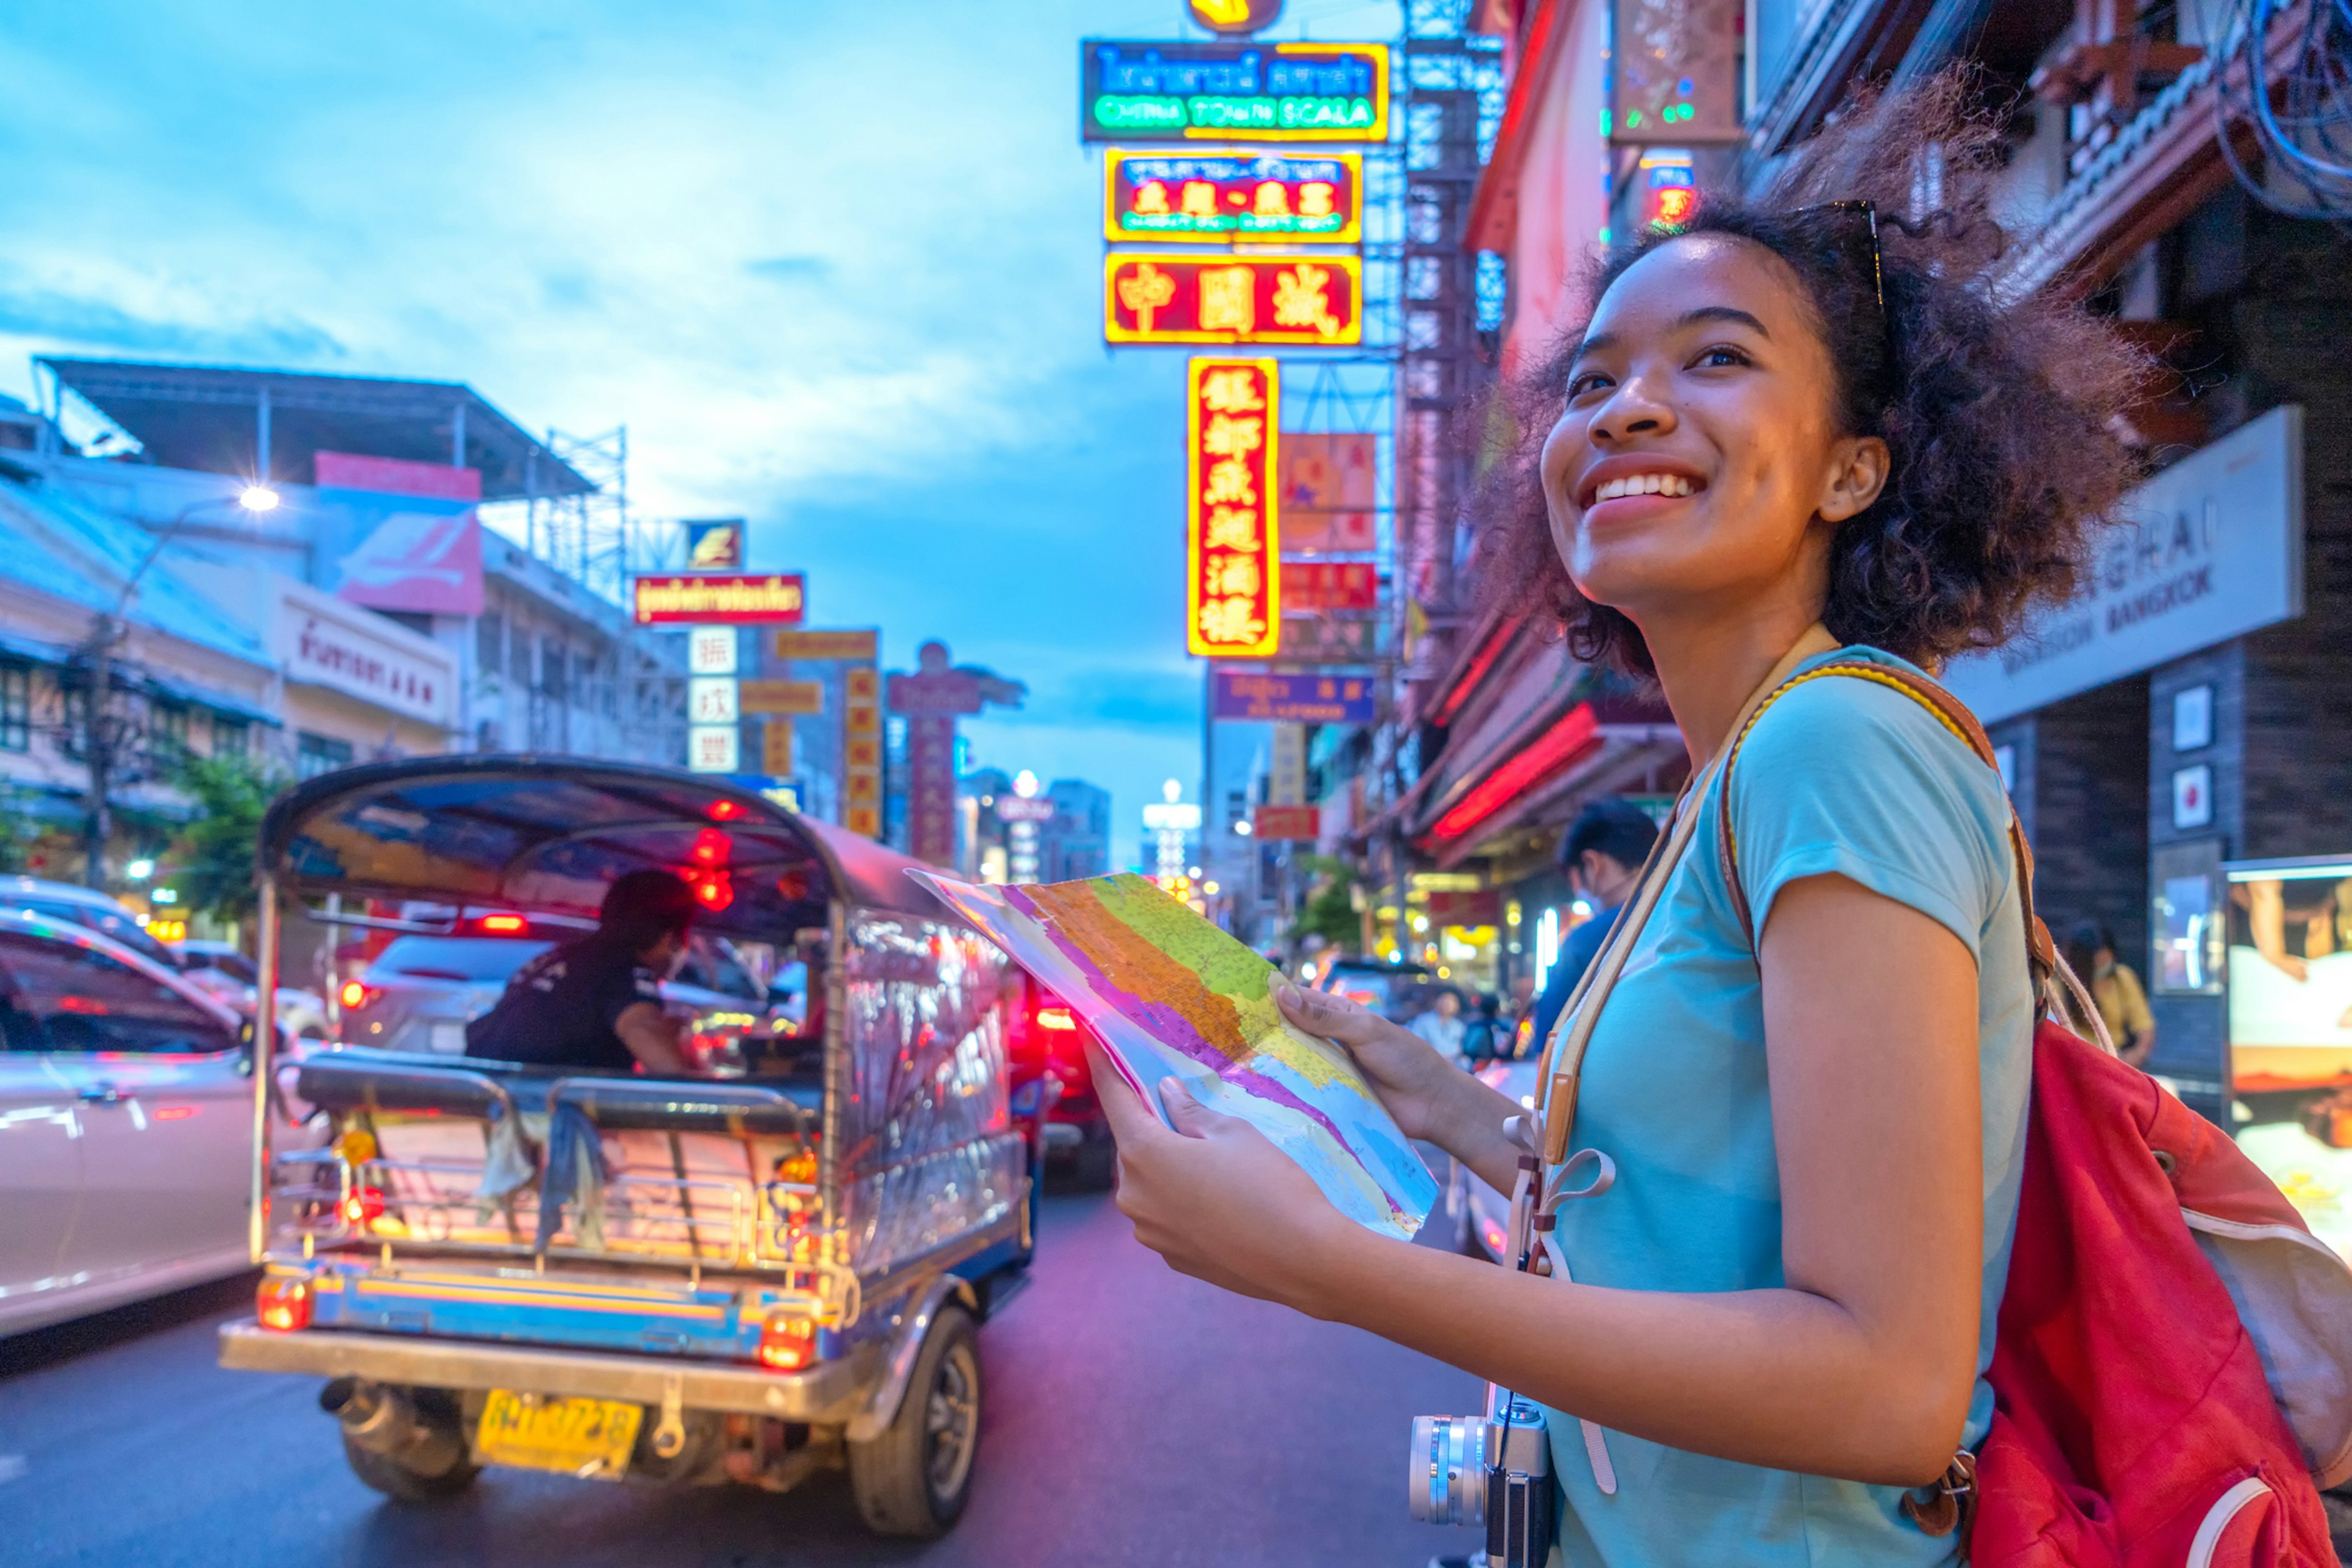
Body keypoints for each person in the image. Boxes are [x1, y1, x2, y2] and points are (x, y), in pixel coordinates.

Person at [1085, 76, 2144, 1568]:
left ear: (1856, 466)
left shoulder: (1836, 743)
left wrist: (1323, 1268)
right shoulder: (1736, 773)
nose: (1627, 406)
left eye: (1715, 359)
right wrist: (1436, 1098)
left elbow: (1892, 1390)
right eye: (1587, 383)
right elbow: (1692, 1221)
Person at [466, 869, 699, 1076]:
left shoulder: (560, 957)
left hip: (486, 1096)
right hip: (544, 1109)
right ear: (673, 941)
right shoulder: (625, 969)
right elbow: (656, 1050)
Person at [1529, 799, 1662, 1051]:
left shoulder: (1586, 944)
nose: (1578, 891)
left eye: (1575, 881)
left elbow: (1549, 1052)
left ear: (1592, 863)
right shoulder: (1696, 915)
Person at [2060, 921, 2156, 1068]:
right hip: (2077, 1064)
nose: (2106, 964)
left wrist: (2137, 1054)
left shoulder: (2122, 978)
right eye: (2100, 960)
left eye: (2108, 958)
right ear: (2082, 961)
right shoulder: (2060, 986)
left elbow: (2144, 1025)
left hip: (2115, 1061)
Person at [1406, 987, 1466, 1066]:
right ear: (1436, 1001)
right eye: (1443, 999)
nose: (1446, 1003)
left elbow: (1460, 1050)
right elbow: (1416, 1046)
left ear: (1457, 1006)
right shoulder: (1423, 1021)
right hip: (1428, 1064)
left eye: (1451, 1001)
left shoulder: (1459, 1026)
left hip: (1453, 1066)